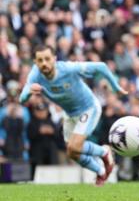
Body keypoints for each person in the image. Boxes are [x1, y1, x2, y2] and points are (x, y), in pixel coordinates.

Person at [19, 45, 127, 186]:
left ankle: (104, 152)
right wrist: (29, 92)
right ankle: (100, 171)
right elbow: (22, 99)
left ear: (55, 59)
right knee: (72, 153)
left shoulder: (68, 68)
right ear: (35, 62)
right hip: (69, 113)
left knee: (75, 146)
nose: (44, 63)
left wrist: (115, 87)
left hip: (88, 108)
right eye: (40, 60)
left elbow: (101, 66)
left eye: (47, 59)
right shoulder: (35, 75)